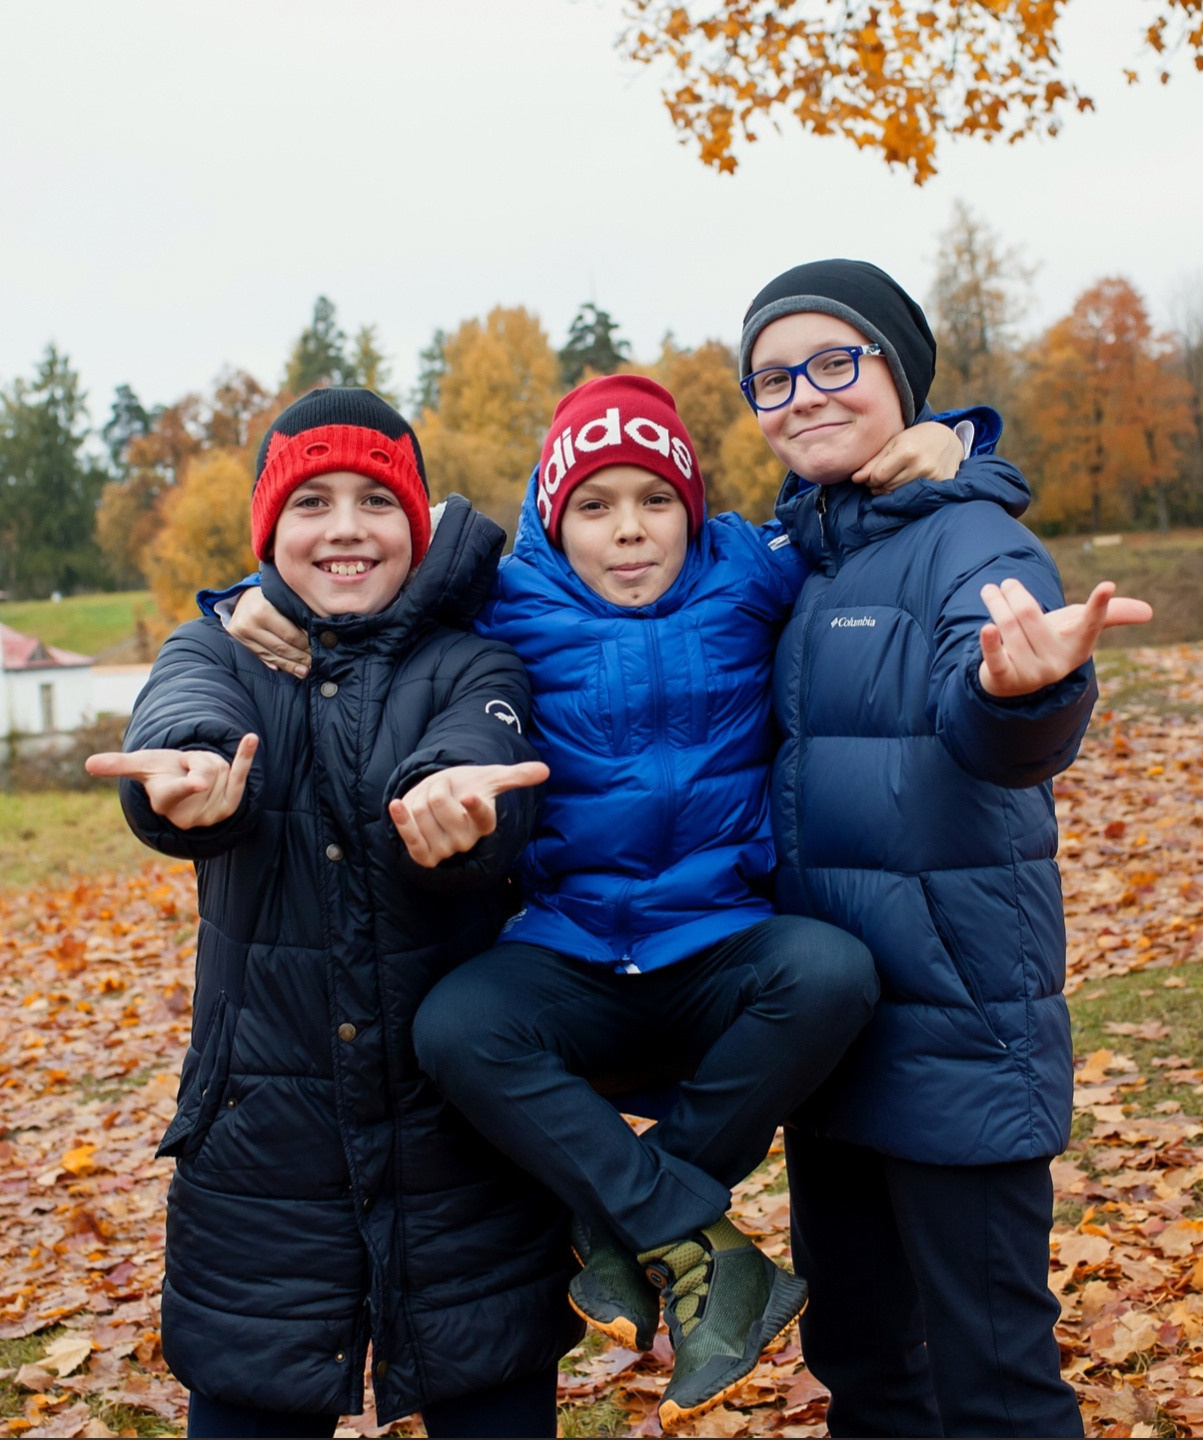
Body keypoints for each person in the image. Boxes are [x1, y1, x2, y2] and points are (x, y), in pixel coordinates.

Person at [203, 374, 1001, 1430]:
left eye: (654, 499)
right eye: (594, 505)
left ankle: (635, 1222)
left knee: (832, 972)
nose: (628, 529)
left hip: (718, 938)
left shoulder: (748, 569)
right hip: (568, 945)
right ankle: (697, 1244)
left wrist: (953, 450)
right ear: (552, 515)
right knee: (457, 1024)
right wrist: (241, 598)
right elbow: (356, 586)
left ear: (692, 509)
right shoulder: (505, 597)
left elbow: (850, 520)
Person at [85, 387, 584, 1440]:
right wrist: (187, 777)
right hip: (258, 1142)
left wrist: (458, 812)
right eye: (312, 502)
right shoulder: (214, 650)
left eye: (376, 500)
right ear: (270, 529)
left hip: (464, 1148)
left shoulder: (473, 658)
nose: (346, 528)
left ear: (416, 522)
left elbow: (481, 748)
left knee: (491, 1390)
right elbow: (183, 718)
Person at [737, 258, 1153, 1438]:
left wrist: (1023, 691)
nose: (806, 395)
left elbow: (997, 729)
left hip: (961, 1032)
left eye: (835, 361)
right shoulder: (794, 559)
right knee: (864, 1365)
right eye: (773, 378)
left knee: (995, 1384)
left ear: (899, 376)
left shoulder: (973, 542)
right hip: (834, 1039)